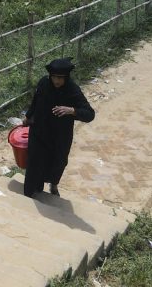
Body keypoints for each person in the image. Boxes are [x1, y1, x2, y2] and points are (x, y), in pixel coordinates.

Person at [22, 58, 95, 198]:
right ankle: (30, 193)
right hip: (39, 130)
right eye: (54, 77)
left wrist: (72, 110)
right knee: (34, 162)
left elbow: (90, 114)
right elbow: (36, 101)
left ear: (66, 78)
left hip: (60, 135)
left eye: (60, 78)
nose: (56, 81)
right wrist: (28, 117)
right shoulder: (44, 83)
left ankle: (53, 184)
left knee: (58, 162)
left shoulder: (73, 90)